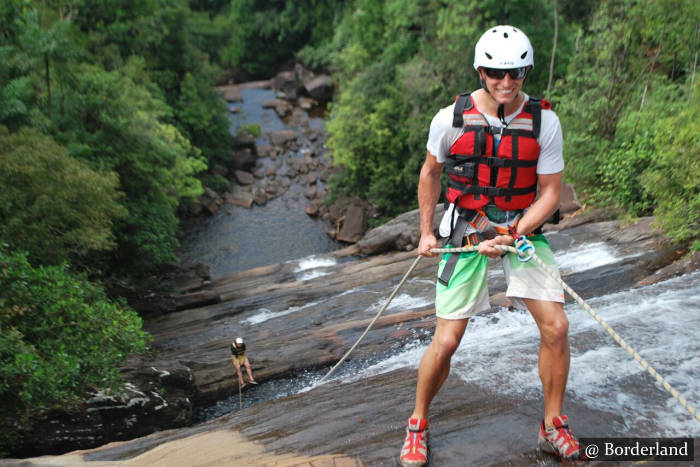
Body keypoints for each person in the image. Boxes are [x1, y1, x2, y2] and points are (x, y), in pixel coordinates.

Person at [399, 25, 582, 466]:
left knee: (556, 327)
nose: (506, 82)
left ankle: (552, 423)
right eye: (496, 73)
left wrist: (515, 231)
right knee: (447, 340)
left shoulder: (545, 122)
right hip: (465, 229)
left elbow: (551, 193)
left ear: (526, 71)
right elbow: (430, 174)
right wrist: (427, 233)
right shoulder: (449, 119)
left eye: (516, 73)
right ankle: (417, 423)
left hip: (522, 231)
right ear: (481, 71)